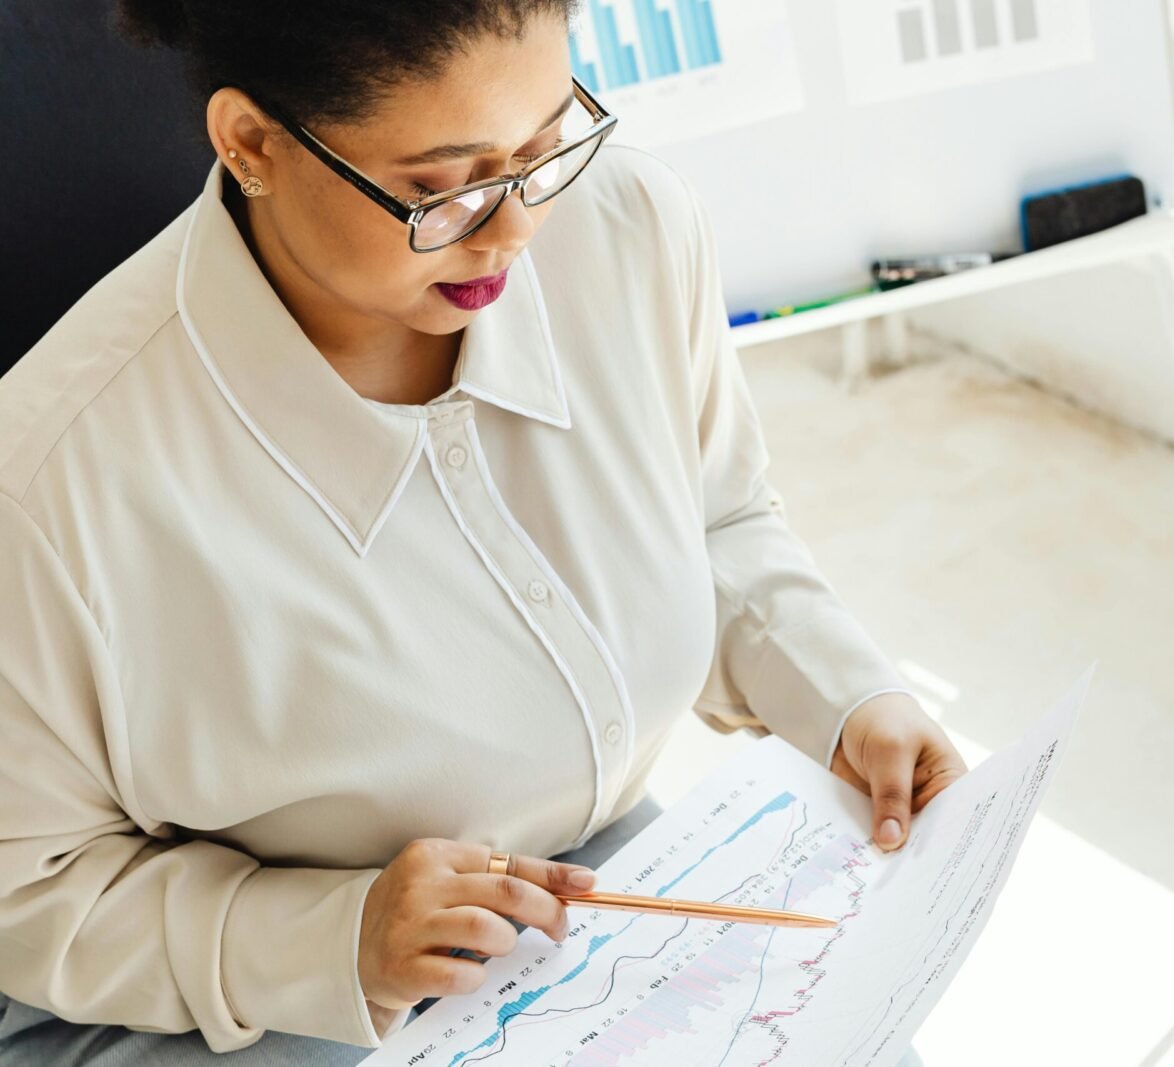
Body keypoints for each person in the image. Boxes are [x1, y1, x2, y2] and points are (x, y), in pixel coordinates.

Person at [0, 1, 967, 1062]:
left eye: (546, 146)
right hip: (241, 995)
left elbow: (714, 516)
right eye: (442, 187)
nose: (513, 229)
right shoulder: (49, 482)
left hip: (588, 906)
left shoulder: (631, 227)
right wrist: (338, 936)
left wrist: (846, 699)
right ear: (251, 145)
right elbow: (28, 894)